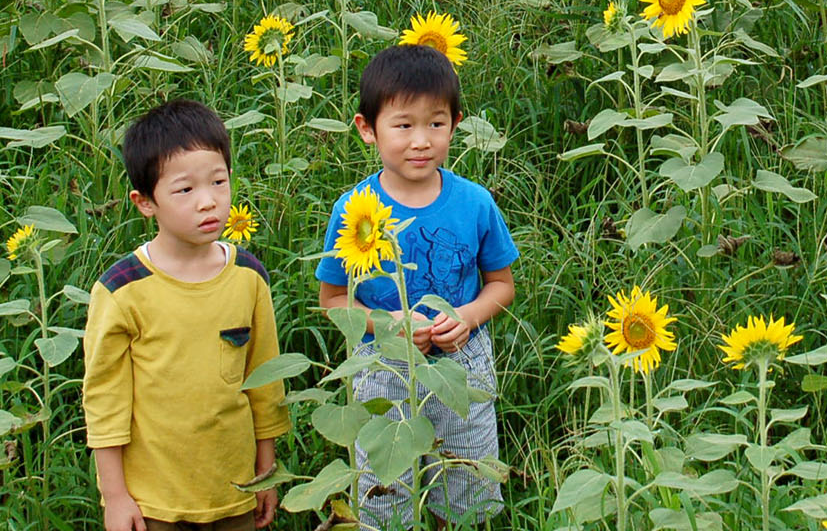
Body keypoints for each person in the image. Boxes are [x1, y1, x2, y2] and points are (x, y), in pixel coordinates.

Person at [317, 45, 517, 529]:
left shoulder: (474, 202)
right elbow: (334, 300)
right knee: (385, 486)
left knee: (466, 481)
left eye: (436, 123)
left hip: (460, 363)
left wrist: (467, 317)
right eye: (404, 125)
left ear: (455, 124)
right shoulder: (353, 209)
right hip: (381, 365)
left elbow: (501, 285)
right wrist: (389, 324)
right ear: (368, 129)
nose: (421, 140)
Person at [83, 100, 290, 531]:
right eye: (185, 190)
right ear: (144, 202)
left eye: (219, 181)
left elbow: (265, 379)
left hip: (236, 493)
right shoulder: (122, 289)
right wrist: (116, 496)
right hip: (155, 502)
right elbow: (106, 402)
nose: (208, 202)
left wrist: (267, 472)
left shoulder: (248, 277)